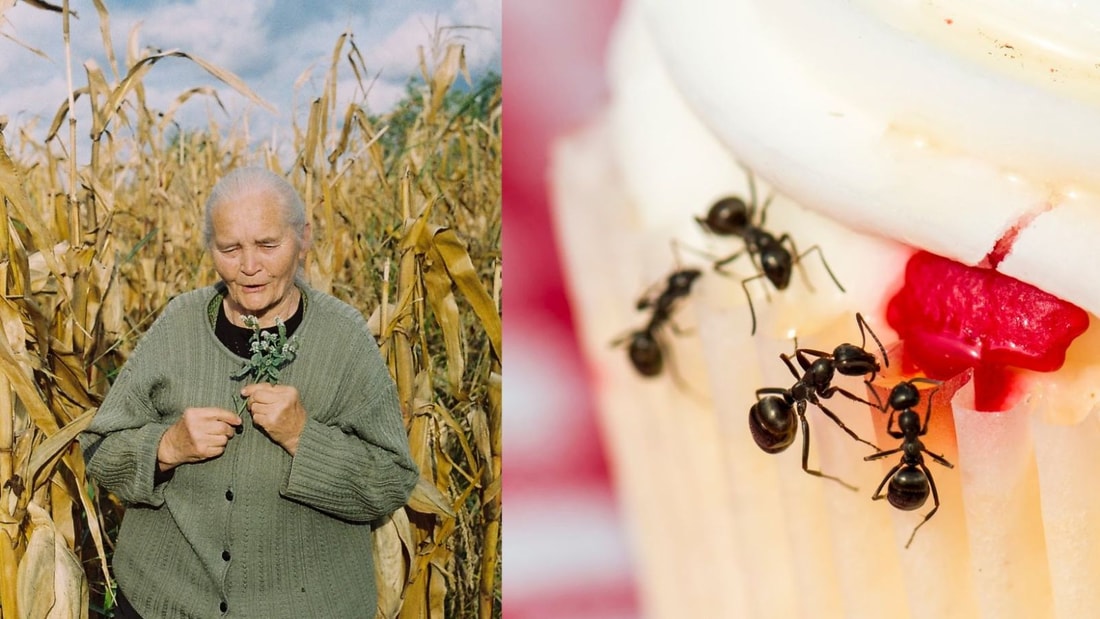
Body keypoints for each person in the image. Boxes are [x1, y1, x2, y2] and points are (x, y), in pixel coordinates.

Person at [79, 166, 419, 618]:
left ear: (304, 238)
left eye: (267, 245)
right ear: (211, 249)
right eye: (230, 248)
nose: (250, 266)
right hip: (161, 603)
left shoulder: (344, 339)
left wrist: (304, 438)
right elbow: (99, 449)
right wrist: (166, 447)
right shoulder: (177, 324)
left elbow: (392, 480)